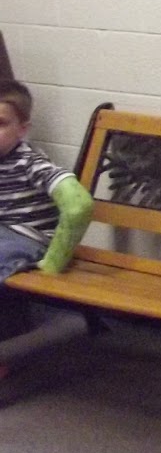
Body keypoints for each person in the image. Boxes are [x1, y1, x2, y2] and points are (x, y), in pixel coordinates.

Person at [0, 79, 96, 381]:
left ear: (23, 129)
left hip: (26, 238)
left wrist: (54, 261)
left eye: (0, 123)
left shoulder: (30, 162)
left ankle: (5, 353)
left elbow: (79, 205)